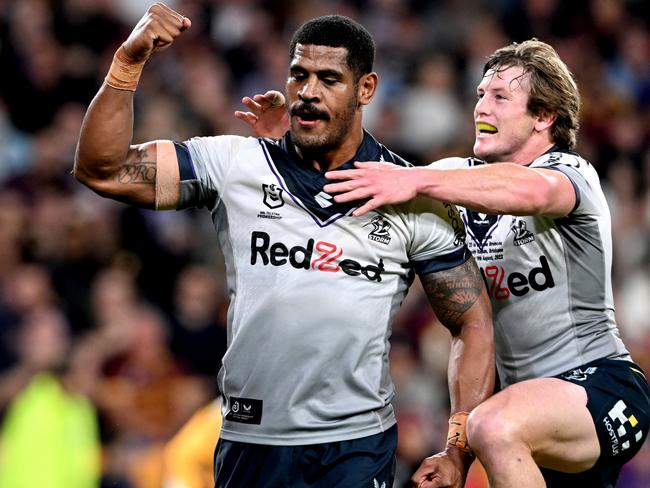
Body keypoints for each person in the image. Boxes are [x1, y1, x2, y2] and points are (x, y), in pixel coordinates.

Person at [73, 4, 494, 487]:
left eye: (329, 79)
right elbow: (101, 169)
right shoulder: (234, 163)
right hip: (251, 440)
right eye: (299, 75)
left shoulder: (408, 195)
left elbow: (473, 322)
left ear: (366, 89)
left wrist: (457, 447)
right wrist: (128, 61)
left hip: (355, 446)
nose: (308, 92)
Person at [240, 40, 650, 487]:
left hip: (602, 388)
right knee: (494, 427)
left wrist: (416, 179)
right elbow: (366, 177)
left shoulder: (573, 173)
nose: (481, 108)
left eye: (499, 97)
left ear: (543, 117)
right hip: (526, 420)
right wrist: (295, 144)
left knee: (491, 426)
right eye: (479, 95)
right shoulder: (456, 178)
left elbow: (532, 192)